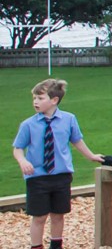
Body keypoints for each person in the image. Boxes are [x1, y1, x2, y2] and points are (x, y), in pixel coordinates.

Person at [14, 79, 103, 249]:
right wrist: (22, 160)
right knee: (39, 216)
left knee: (58, 214)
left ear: (54, 100)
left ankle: (56, 245)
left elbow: (77, 140)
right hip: (37, 177)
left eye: (40, 98)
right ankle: (36, 245)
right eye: (34, 98)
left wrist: (91, 155)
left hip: (61, 176)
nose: (35, 102)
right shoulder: (28, 124)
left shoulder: (69, 119)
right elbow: (18, 148)